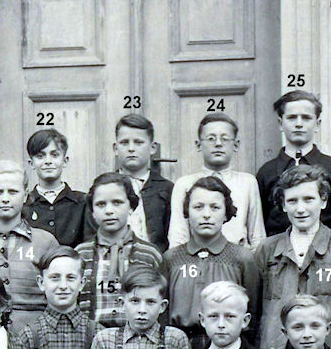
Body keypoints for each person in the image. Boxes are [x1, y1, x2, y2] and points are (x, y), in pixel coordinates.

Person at [255, 165, 331, 349]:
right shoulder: (267, 250)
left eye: (308, 199)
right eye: (292, 201)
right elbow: (255, 312)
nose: (300, 209)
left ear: (323, 201)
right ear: (283, 205)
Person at [0, 161, 57, 331]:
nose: (5, 198)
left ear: (25, 195)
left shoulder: (45, 242)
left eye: (13, 192)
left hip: (38, 335)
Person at [163, 177, 261, 341]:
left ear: (225, 213)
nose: (206, 215)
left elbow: (253, 312)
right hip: (178, 345)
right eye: (198, 207)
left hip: (228, 345)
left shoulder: (242, 258)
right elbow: (162, 311)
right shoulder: (172, 258)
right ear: (187, 212)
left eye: (215, 207)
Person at [75, 172, 163, 328]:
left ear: (131, 206)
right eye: (101, 204)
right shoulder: (81, 254)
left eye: (117, 203)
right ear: (92, 212)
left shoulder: (149, 254)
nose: (109, 211)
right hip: (92, 340)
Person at [256, 90, 331, 236]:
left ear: (317, 124)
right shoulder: (266, 172)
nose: (299, 124)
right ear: (280, 123)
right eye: (292, 118)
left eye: (306, 118)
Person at [167, 113, 265, 250]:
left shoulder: (247, 182)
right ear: (198, 145)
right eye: (211, 139)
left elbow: (257, 235)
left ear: (236, 145)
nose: (218, 144)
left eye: (225, 139)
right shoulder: (184, 184)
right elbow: (178, 236)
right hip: (196, 260)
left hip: (238, 261)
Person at [111, 114, 174, 251]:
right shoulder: (105, 188)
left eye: (138, 142)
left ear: (152, 148)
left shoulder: (167, 189)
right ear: (115, 148)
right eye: (124, 142)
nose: (131, 148)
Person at [22, 128, 93, 246]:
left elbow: (90, 245)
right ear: (31, 163)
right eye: (40, 156)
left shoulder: (83, 202)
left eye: (54, 155)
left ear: (65, 161)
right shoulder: (24, 205)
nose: (48, 161)